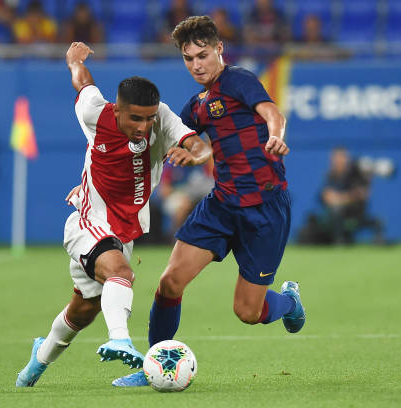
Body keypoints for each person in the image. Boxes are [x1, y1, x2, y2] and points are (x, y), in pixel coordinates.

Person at [113, 15, 306, 387]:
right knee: (169, 283)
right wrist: (183, 149)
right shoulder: (198, 105)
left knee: (248, 312)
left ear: (220, 49)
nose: (197, 65)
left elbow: (272, 113)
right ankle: (155, 365)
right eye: (188, 59)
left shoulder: (239, 80)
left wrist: (277, 136)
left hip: (264, 210)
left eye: (203, 55)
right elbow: (177, 137)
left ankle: (289, 303)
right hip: (221, 205)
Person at [15, 42, 212, 387]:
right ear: (117, 110)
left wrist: (193, 155)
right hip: (88, 221)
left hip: (123, 232)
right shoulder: (95, 112)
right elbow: (83, 81)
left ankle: (40, 357)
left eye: (149, 118)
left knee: (85, 307)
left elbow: (199, 144)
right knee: (121, 272)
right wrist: (73, 59)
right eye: (136, 117)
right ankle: (120, 338)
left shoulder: (162, 118)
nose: (144, 126)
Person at [319, 147, 384, 244]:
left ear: (347, 158)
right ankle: (339, 240)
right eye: (336, 158)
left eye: (342, 157)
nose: (339, 161)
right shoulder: (330, 176)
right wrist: (349, 197)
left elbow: (364, 194)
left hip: (356, 211)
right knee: (335, 209)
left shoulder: (356, 174)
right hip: (336, 214)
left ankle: (379, 240)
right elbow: (327, 197)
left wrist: (341, 198)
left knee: (378, 221)